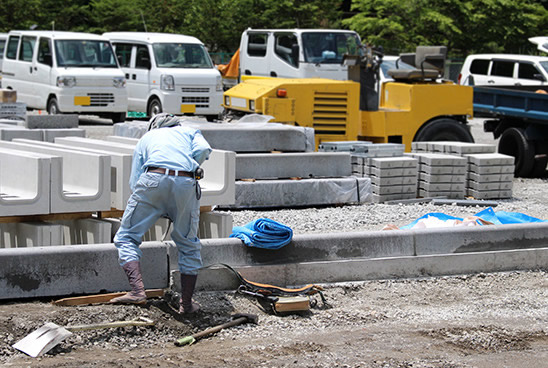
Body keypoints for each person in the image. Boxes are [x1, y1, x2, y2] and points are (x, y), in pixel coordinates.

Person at [110, 113, 211, 314]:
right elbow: (202, 149)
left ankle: (138, 291)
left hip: (152, 178)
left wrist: (147, 204)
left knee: (127, 237)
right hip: (186, 182)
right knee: (188, 242)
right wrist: (191, 166)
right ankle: (187, 303)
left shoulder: (146, 138)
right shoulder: (190, 132)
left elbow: (135, 178)